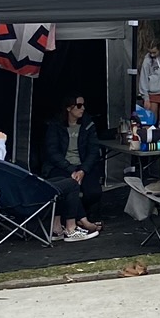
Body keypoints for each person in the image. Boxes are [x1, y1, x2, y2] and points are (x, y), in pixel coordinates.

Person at [40, 94, 105, 234]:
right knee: (68, 187)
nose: (83, 108)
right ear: (69, 108)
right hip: (61, 166)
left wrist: (83, 170)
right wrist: (71, 169)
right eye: (79, 105)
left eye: (83, 105)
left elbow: (93, 150)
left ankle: (77, 219)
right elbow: (52, 152)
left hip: (83, 166)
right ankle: (82, 221)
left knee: (93, 192)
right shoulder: (55, 125)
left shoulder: (88, 124)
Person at [137, 36, 160, 122]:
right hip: (153, 92)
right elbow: (143, 78)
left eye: (154, 52)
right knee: (153, 118)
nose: (152, 55)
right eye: (150, 52)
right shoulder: (147, 60)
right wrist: (146, 97)